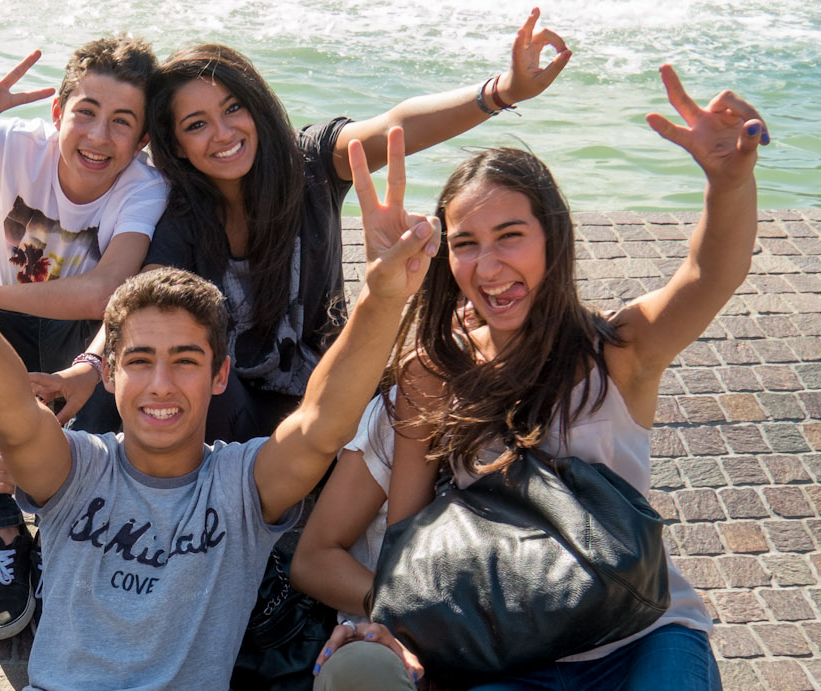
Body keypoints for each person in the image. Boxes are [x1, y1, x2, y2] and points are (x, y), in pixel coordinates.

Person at [0, 125, 437, 691]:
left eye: (185, 360)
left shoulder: (243, 486)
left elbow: (324, 421)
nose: (160, 384)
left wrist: (383, 298)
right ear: (111, 373)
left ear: (218, 377)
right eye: (141, 360)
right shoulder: (75, 470)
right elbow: (11, 410)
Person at [384, 67, 763, 691]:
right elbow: (407, 535)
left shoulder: (617, 351)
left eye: (510, 236)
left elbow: (707, 275)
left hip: (643, 642)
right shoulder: (436, 375)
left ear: (552, 238)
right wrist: (413, 641)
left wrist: (728, 182)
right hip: (516, 666)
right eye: (466, 244)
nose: (489, 266)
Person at [36, 10, 571, 445]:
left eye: (233, 109)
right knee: (160, 376)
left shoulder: (309, 164)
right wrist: (87, 368)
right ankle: (67, 497)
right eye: (196, 125)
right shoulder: (181, 215)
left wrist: (502, 91)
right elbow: (139, 300)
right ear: (175, 145)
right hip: (230, 414)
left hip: (327, 394)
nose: (223, 134)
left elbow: (394, 125)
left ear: (257, 108)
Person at [0, 38, 170, 639]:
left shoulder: (144, 187)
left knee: (113, 353)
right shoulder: (3, 146)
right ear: (58, 113)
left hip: (68, 325)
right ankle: (1, 535)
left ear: (141, 142)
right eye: (85, 112)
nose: (98, 136)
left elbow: (105, 291)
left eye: (122, 123)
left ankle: (62, 522)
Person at [290, 394, 642, 691]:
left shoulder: (574, 401)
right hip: (398, 688)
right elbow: (315, 558)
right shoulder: (407, 409)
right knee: (356, 670)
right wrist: (425, 625)